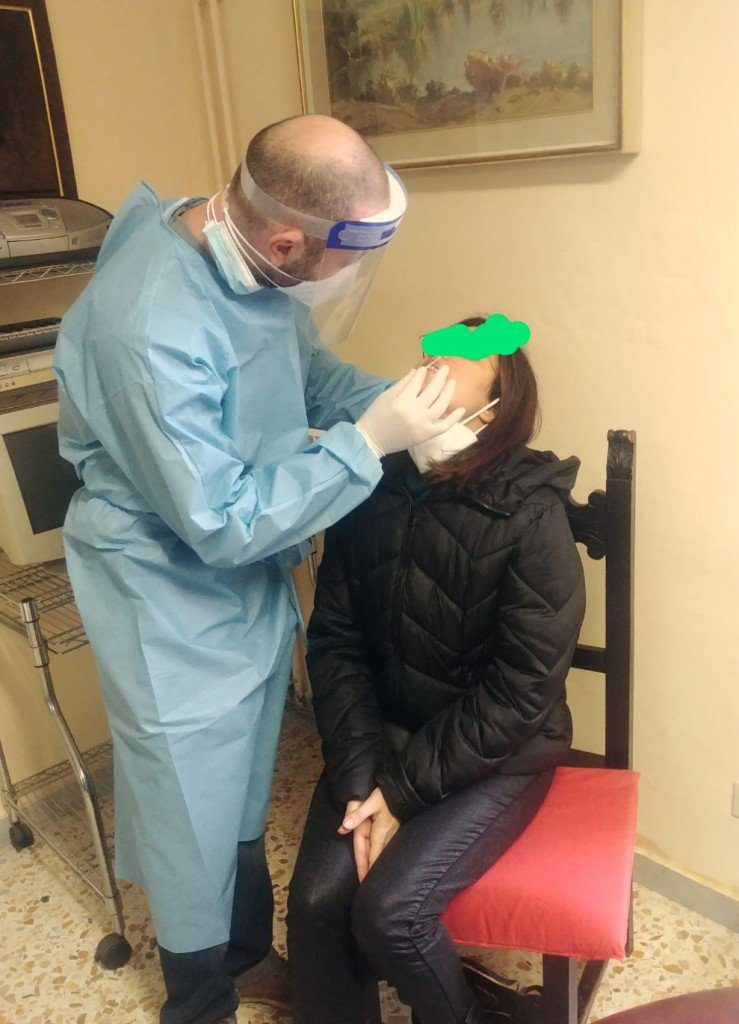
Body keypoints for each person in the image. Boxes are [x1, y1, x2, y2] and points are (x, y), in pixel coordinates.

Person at [54, 114, 464, 1024]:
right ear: (285, 242)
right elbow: (223, 521)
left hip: (236, 583)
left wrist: (404, 408)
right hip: (164, 588)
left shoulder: (239, 257)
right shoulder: (148, 328)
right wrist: (366, 446)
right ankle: (198, 1000)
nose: (336, 281)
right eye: (336, 262)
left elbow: (306, 373)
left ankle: (243, 957)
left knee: (238, 783)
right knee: (186, 803)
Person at [287, 316, 587, 1024]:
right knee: (315, 903)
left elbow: (521, 691)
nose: (429, 369)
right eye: (427, 357)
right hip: (385, 738)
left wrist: (396, 793)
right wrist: (359, 780)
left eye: (458, 361)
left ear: (499, 402)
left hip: (498, 755)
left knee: (390, 913)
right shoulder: (371, 489)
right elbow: (335, 642)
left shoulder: (529, 512)